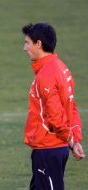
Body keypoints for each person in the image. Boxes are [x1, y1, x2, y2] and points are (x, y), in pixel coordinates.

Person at [22, 23, 85, 190]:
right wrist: (75, 139)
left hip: (48, 148)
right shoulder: (62, 68)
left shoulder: (46, 75)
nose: (24, 47)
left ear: (39, 44)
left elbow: (56, 117)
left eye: (27, 42)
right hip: (55, 147)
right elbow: (71, 106)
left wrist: (72, 141)